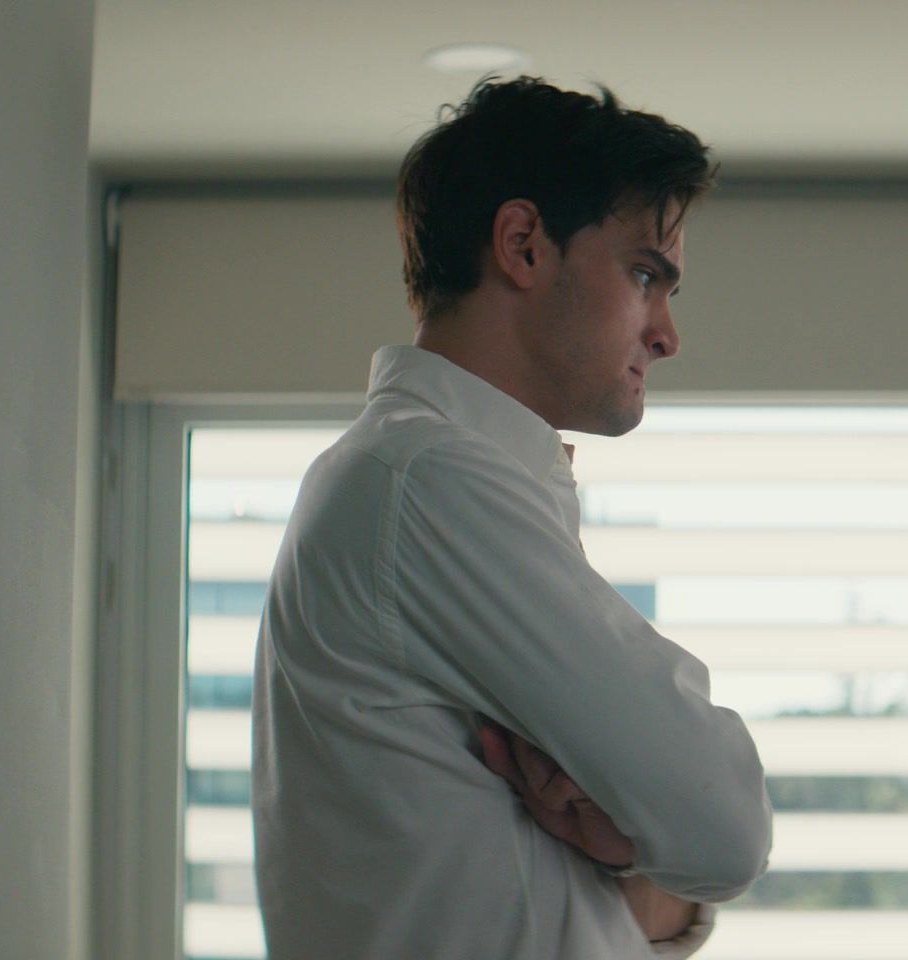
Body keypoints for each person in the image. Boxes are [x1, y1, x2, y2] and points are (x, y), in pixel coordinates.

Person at [251, 77, 773, 959]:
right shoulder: (431, 482)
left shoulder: (424, 478)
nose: (667, 335)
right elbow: (726, 830)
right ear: (524, 244)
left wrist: (627, 853)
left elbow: (561, 896)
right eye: (645, 275)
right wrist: (651, 835)